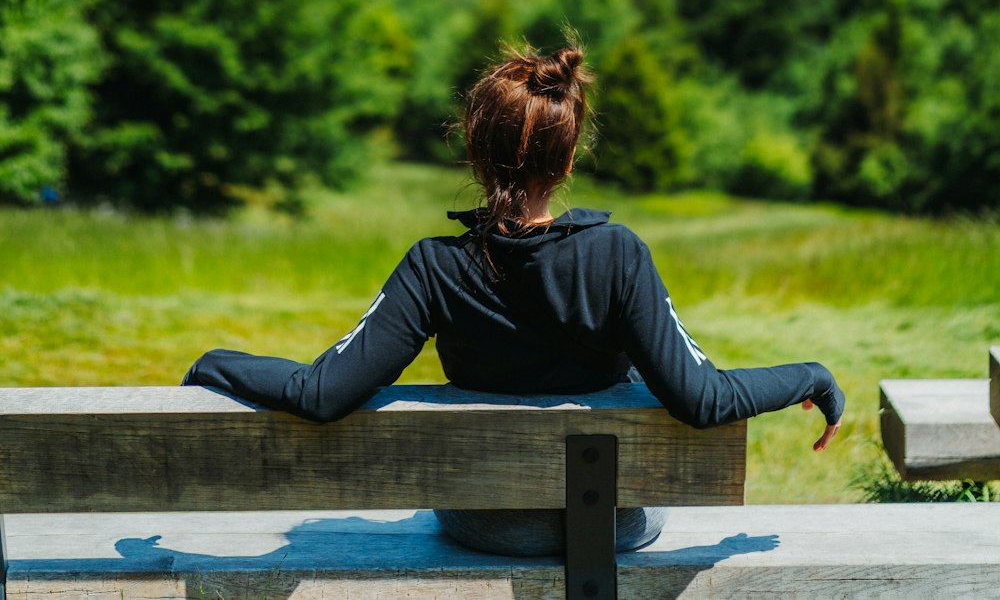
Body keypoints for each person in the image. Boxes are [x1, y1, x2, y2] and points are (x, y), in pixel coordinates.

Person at [183, 45, 845, 556]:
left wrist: (214, 362)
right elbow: (705, 399)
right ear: (567, 161)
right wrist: (810, 376)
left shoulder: (433, 268)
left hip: (486, 524)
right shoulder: (618, 255)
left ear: (475, 151)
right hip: (612, 526)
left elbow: (319, 393)